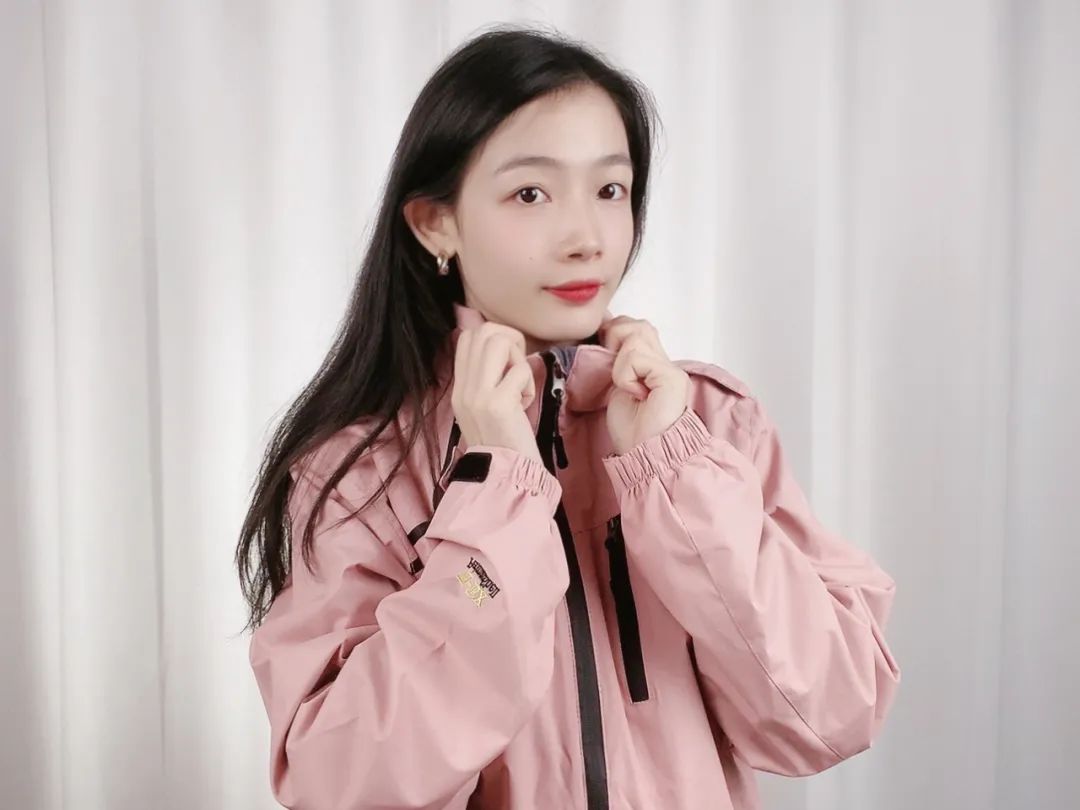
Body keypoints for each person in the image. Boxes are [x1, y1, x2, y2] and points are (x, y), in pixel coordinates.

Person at [234, 24, 901, 810]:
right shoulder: (361, 472)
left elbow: (831, 712)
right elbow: (344, 783)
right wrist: (496, 497)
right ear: (435, 222)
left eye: (610, 190)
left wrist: (675, 476)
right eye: (531, 194)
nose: (586, 239)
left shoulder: (711, 425)